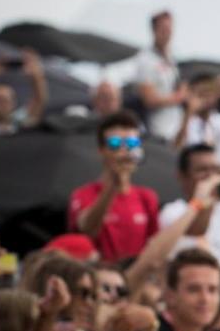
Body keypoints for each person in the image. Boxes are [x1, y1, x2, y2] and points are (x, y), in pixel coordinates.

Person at [68, 111, 160, 262]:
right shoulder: (83, 194)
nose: (125, 150)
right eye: (115, 143)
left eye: (132, 143)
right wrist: (113, 185)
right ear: (101, 150)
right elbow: (87, 231)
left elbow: (153, 249)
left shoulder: (147, 197)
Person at [134, 10, 186, 142]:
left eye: (169, 28)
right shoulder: (146, 60)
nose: (167, 33)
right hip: (160, 131)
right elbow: (149, 99)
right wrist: (178, 97)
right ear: (154, 30)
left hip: (177, 127)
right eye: (163, 29)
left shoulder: (171, 58)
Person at [175, 73, 220, 163]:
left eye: (210, 93)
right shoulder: (182, 119)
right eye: (201, 94)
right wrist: (189, 112)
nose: (206, 99)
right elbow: (177, 147)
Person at [0, 48, 48, 136]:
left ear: (12, 103)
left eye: (4, 100)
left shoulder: (17, 123)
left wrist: (36, 77)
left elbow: (38, 101)